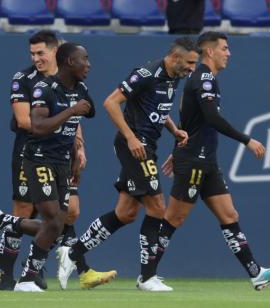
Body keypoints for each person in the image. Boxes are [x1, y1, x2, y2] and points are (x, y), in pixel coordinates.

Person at [56, 37, 199, 291]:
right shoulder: (146, 74)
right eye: (189, 63)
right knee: (157, 206)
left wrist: (174, 130)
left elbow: (159, 108)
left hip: (148, 146)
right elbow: (110, 102)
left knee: (126, 213)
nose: (192, 69)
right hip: (133, 145)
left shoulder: (173, 76)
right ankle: (147, 277)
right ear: (175, 57)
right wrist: (131, 137)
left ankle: (73, 252)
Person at [155, 31, 270, 291]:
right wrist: (247, 140)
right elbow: (211, 118)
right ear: (210, 51)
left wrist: (177, 148)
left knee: (229, 214)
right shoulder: (205, 78)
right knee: (174, 217)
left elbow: (189, 121)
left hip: (205, 160)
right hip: (196, 160)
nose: (228, 53)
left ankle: (256, 273)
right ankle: (147, 274)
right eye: (225, 48)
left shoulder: (201, 79)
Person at [0, 42, 95, 292]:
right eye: (84, 59)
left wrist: (78, 149)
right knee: (52, 222)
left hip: (63, 162)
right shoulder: (44, 88)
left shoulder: (80, 88)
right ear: (69, 62)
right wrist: (71, 110)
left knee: (59, 223)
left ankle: (3, 221)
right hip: (39, 158)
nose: (89, 64)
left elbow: (89, 111)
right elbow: (38, 126)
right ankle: (26, 278)